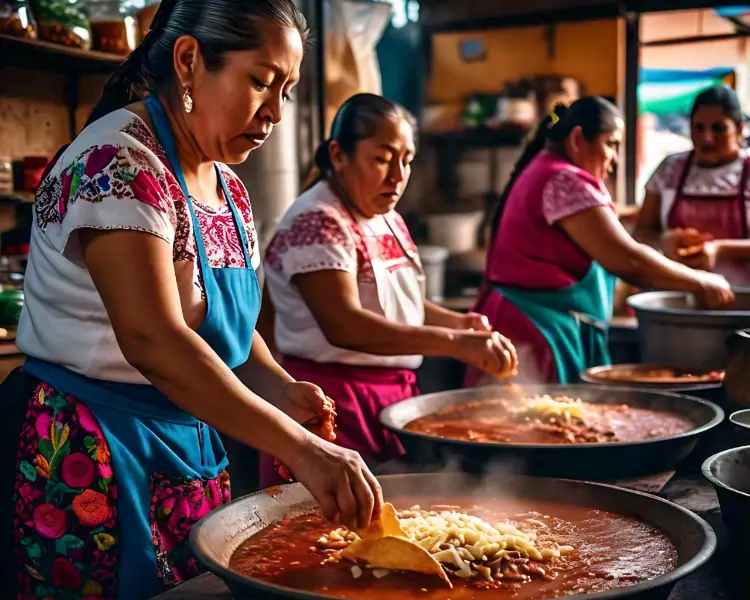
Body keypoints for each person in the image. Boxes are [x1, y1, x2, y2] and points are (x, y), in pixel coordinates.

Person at [0, 2, 383, 599]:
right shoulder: (119, 162)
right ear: (189, 61)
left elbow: (221, 325)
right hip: (90, 451)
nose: (275, 113)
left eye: (286, 90)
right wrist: (299, 448)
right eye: (260, 81)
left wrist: (281, 388)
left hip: (186, 445)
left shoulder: (226, 184)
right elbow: (155, 338)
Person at [257, 93, 518, 486]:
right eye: (382, 159)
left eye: (406, 160)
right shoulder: (317, 220)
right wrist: (454, 342)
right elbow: (345, 324)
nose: (397, 176)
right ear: (339, 155)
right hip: (331, 405)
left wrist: (460, 324)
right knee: (326, 535)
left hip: (391, 399)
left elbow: (398, 301)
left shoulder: (385, 217)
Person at [466, 97, 734, 387]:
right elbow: (628, 260)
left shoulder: (547, 170)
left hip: (524, 326)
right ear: (578, 139)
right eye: (611, 144)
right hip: (535, 334)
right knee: (534, 426)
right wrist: (702, 281)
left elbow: (609, 236)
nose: (615, 158)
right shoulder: (564, 181)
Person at [635, 85, 750, 283]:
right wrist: (663, 242)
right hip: (677, 292)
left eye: (719, 128)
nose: (707, 138)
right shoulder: (670, 169)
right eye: (698, 127)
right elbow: (641, 234)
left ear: (739, 128)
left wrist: (720, 249)